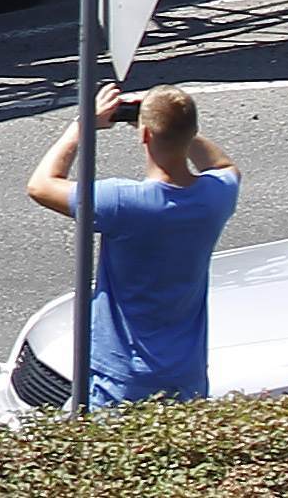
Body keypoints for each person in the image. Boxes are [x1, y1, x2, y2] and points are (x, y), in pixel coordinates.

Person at [27, 82, 239, 409]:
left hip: (122, 378)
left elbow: (41, 185)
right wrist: (177, 126)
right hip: (187, 376)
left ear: (144, 136)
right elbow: (225, 167)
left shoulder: (124, 203)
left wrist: (82, 126)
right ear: (191, 132)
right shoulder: (215, 197)